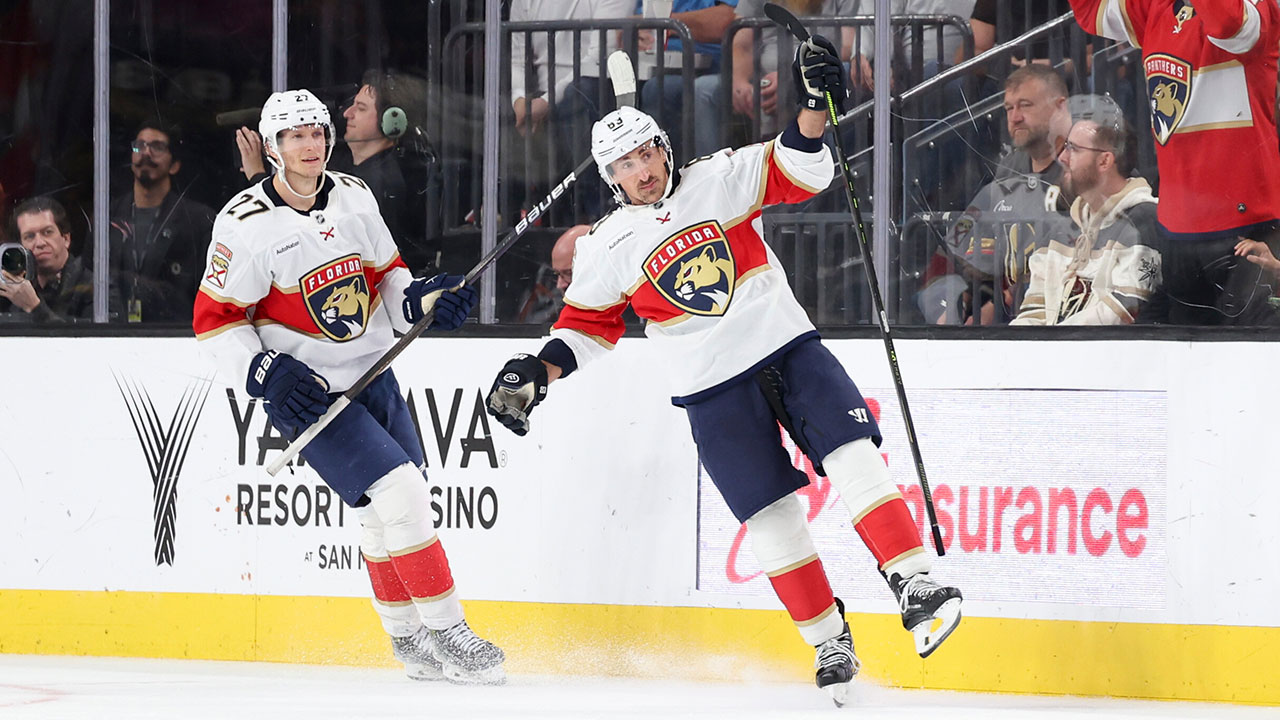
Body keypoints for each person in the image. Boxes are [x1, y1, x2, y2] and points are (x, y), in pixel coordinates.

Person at [484, 37, 962, 706]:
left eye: (648, 153)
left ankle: (913, 580)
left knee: (853, 454)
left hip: (787, 348)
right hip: (711, 390)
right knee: (768, 517)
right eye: (626, 165)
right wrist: (537, 372)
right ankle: (828, 637)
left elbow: (801, 167)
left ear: (664, 149)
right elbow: (586, 330)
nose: (643, 170)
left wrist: (812, 105)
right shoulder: (607, 247)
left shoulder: (720, 176)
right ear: (610, 178)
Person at [193, 90, 505, 685]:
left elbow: (388, 276)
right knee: (404, 496)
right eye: (295, 137)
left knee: (383, 514)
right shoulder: (244, 223)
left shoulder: (354, 196)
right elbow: (214, 321)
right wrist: (262, 372)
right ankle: (449, 632)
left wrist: (423, 299)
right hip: (309, 396)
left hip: (373, 374)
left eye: (317, 133)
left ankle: (407, 639)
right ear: (273, 146)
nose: (311, 145)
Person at [1069, 0, 1280, 325]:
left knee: (1251, 366)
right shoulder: (1155, 7)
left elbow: (1228, 25)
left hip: (1249, 227)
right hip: (1179, 229)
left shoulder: (1261, 6)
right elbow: (1089, 11)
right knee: (1184, 368)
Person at [923, 65, 1072, 325]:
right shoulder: (1009, 169)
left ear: (1060, 107)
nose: (1014, 118)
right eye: (1008, 108)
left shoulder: (1088, 167)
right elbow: (956, 249)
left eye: (1025, 105)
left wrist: (1001, 307)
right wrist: (957, 307)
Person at [1011, 116, 1162, 325]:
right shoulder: (1061, 229)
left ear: (1104, 161)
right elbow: (1034, 313)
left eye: (1073, 148)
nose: (1062, 157)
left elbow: (1119, 315)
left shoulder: (1144, 221)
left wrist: (1049, 346)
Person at [109, 119, 216, 323]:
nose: (146, 153)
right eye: (139, 146)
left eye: (157, 147)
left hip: (175, 333)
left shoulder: (199, 221)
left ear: (174, 165)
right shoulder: (109, 215)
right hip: (116, 332)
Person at [636, 0, 740, 158]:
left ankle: (710, 174)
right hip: (658, 68)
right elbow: (635, 20)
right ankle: (668, 175)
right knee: (654, 89)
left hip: (718, 68)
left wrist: (668, 24)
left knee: (695, 90)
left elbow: (724, 21)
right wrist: (638, 33)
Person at [0, 196, 96, 323]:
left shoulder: (96, 287)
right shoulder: (13, 286)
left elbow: (88, 341)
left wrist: (34, 306)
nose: (39, 243)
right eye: (29, 236)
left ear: (66, 239)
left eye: (47, 232)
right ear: (21, 246)